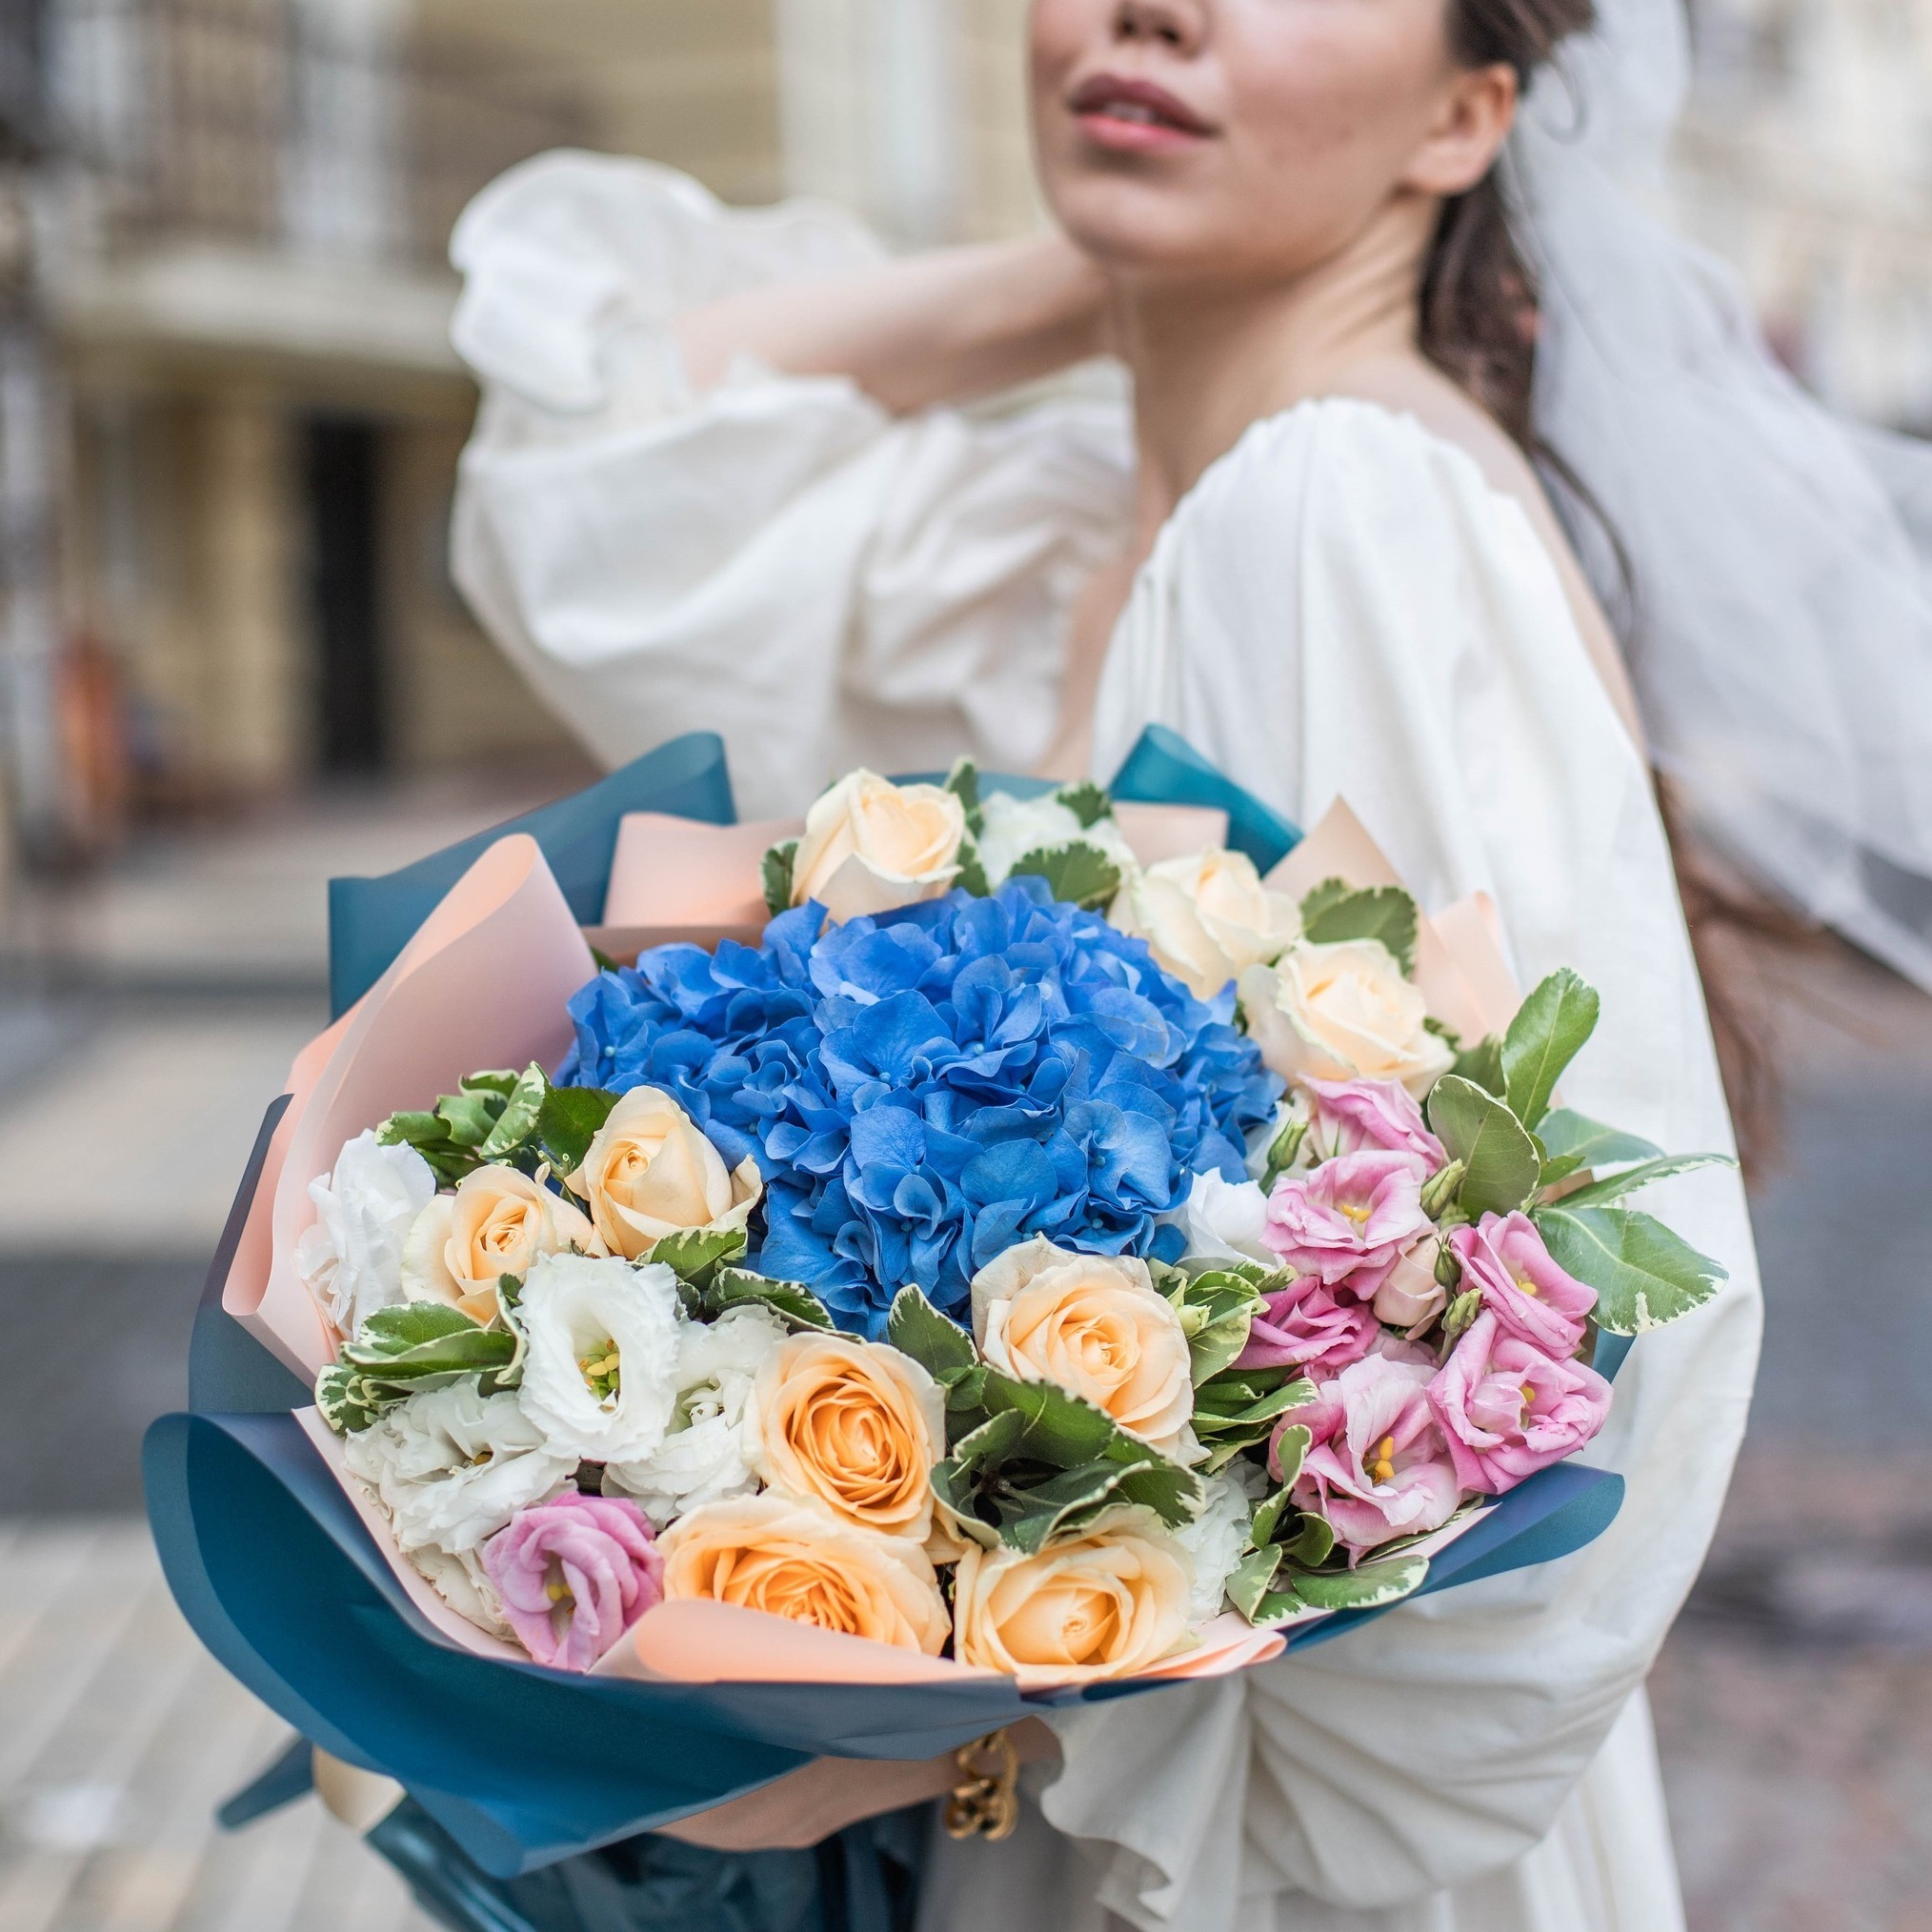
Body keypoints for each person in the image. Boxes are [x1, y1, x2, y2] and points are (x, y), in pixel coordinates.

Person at [446, 2, 1774, 1926]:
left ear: (1466, 114)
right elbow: (588, 456)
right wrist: (1109, 285)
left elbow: (1566, 1324)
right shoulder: (1087, 515)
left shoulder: (1340, 515)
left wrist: (991, 1727)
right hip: (1057, 1756)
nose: (1161, 5)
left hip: (1255, 1805)